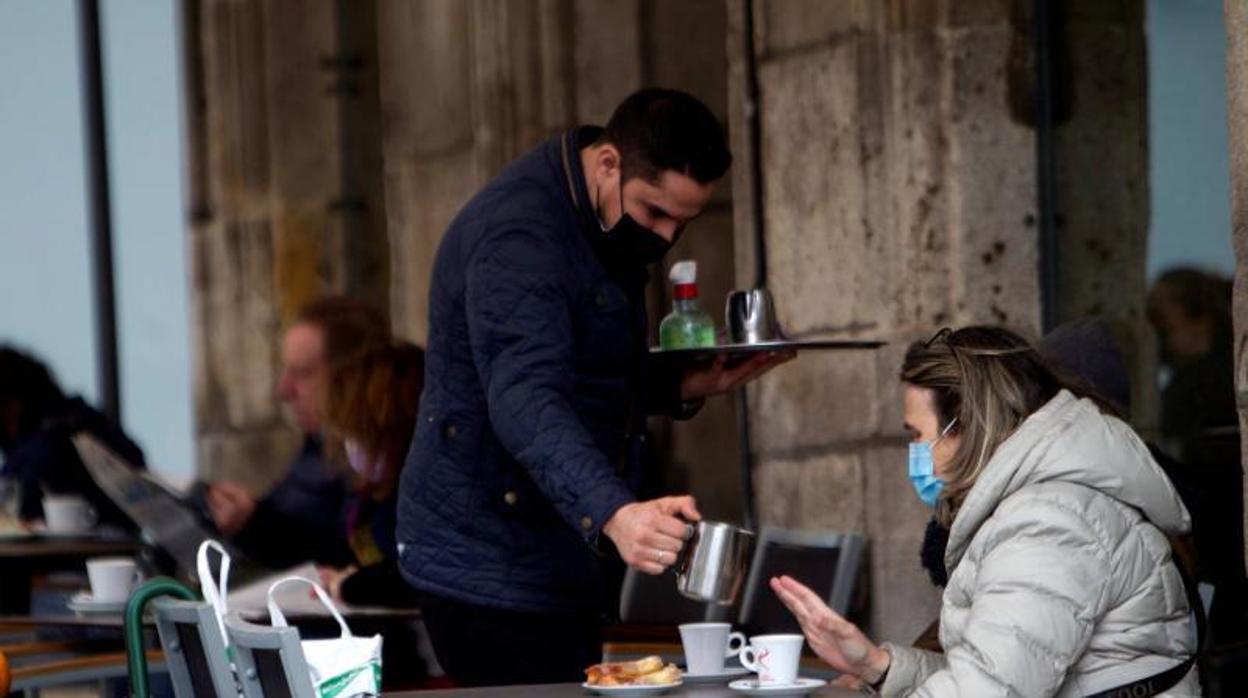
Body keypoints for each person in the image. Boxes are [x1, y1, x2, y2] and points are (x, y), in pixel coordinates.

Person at [397, 88, 791, 686]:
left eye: (683, 222)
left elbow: (576, 371)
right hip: (490, 567)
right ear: (608, 163)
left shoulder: (596, 216)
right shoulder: (520, 239)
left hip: (549, 556)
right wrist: (615, 512)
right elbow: (525, 396)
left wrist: (684, 381)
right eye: (655, 212)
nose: (664, 237)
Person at [770, 326, 1199, 696]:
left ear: (968, 428)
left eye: (917, 435)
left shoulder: (1049, 523)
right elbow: (994, 674)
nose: (915, 453)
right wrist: (877, 665)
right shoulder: (1041, 507)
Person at [204, 296, 390, 569]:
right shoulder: (317, 443)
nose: (285, 390)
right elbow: (284, 512)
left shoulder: (373, 457)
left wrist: (254, 524)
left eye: (302, 373)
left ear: (351, 375)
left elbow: (348, 554)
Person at [316, 341, 424, 607]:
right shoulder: (369, 500)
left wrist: (353, 586)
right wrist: (341, 575)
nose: (350, 442)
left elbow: (415, 575)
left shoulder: (423, 500)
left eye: (360, 431)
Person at [0, 345, 145, 530]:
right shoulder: (83, 421)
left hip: (81, 551)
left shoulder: (54, 437)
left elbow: (18, 499)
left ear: (13, 405)